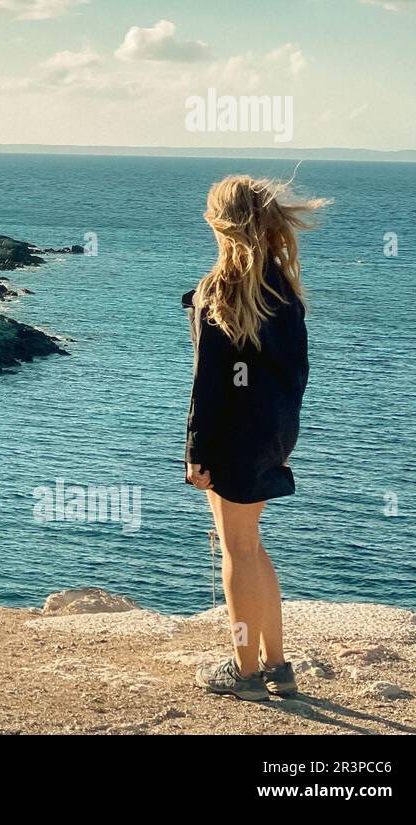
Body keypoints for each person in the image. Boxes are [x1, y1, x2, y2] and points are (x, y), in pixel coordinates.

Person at [183, 174, 327, 701]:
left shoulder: (219, 291)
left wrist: (196, 452)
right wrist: (279, 432)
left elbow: (208, 383)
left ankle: (245, 673)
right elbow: (295, 374)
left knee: (236, 551)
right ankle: (277, 667)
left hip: (232, 439)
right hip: (273, 433)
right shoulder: (284, 289)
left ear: (220, 223)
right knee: (252, 546)